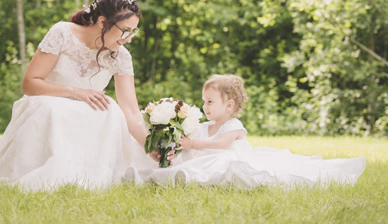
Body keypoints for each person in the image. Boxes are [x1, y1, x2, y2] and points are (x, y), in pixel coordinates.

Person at [0, 0, 157, 191]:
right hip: (46, 102)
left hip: (86, 113)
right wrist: (77, 93)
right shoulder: (63, 33)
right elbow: (30, 83)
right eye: (125, 31)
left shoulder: (121, 55)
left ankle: (88, 174)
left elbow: (130, 110)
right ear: (103, 22)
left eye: (133, 32)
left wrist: (150, 146)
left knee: (110, 109)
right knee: (51, 108)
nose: (128, 38)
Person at [124, 74, 366, 189]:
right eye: (204, 101)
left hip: (229, 157)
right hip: (206, 156)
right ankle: (171, 173)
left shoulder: (233, 127)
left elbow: (220, 146)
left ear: (229, 106)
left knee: (227, 161)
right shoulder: (203, 126)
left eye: (210, 102)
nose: (205, 106)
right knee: (190, 160)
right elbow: (194, 144)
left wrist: (193, 145)